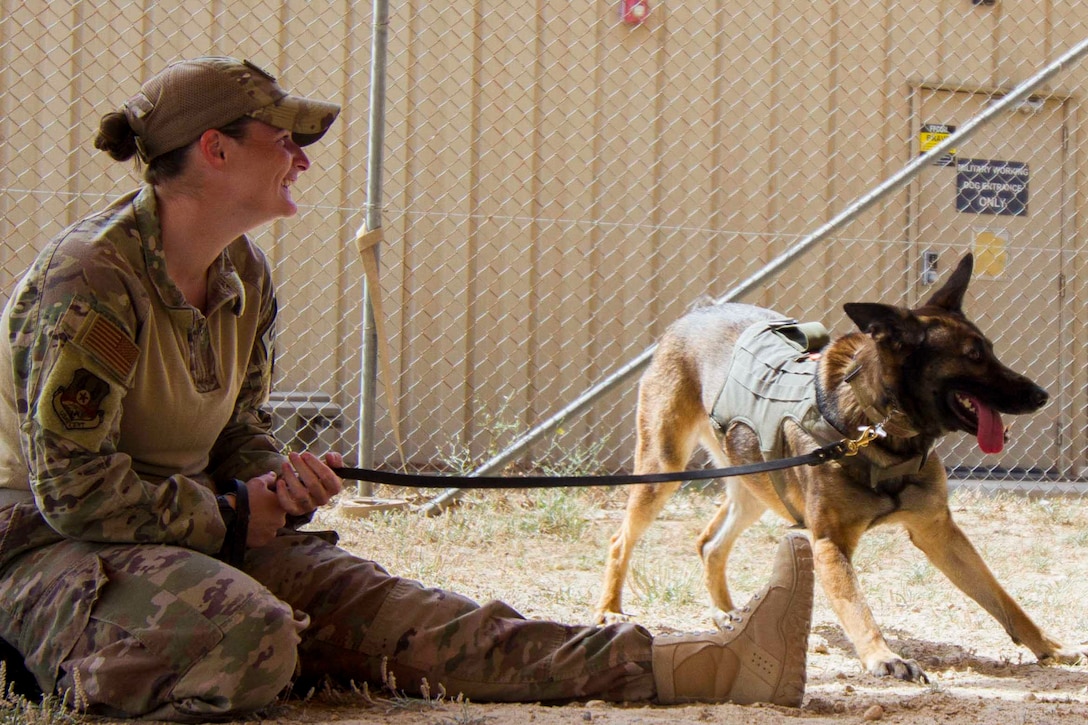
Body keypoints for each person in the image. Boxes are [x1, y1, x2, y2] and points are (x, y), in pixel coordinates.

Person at [0, 56, 814, 721]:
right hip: (45, 547)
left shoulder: (243, 276)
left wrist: (278, 482)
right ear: (215, 150)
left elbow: (236, 433)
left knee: (404, 613)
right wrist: (233, 513)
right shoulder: (92, 282)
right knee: (253, 634)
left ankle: (693, 665)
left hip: (185, 533)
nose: (303, 157)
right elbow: (73, 490)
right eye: (284, 139)